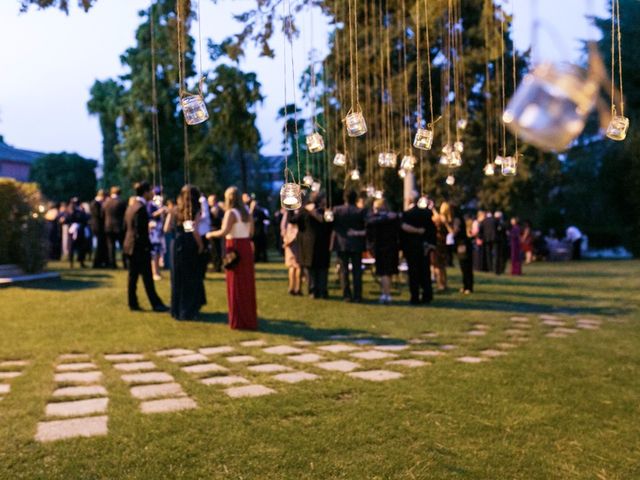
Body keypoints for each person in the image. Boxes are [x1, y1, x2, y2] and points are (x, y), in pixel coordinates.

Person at [206, 186, 257, 330]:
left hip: (234, 246)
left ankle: (238, 320)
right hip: (245, 246)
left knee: (235, 282)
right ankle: (248, 317)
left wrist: (210, 234)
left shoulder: (231, 213)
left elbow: (224, 231)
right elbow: (251, 232)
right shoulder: (247, 212)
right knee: (246, 283)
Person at [123, 181, 168, 312]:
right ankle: (155, 304)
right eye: (150, 191)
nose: (152, 193)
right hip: (139, 248)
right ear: (145, 192)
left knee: (133, 277)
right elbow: (140, 232)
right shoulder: (140, 208)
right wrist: (147, 247)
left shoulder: (132, 206)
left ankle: (133, 303)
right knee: (146, 278)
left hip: (130, 245)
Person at [169, 185, 205, 321]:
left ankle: (176, 309)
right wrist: (200, 245)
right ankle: (188, 310)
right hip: (188, 244)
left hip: (176, 243)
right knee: (190, 277)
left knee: (177, 277)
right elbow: (193, 230)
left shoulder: (175, 209)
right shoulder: (194, 210)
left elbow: (167, 227)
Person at [291, 193, 332, 299]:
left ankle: (313, 290)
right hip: (323, 244)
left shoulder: (304, 212)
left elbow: (293, 220)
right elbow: (330, 225)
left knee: (310, 269)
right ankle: (323, 290)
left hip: (308, 245)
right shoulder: (324, 212)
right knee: (322, 269)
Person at [401, 191, 436, 305]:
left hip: (411, 247)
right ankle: (427, 294)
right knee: (425, 271)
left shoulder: (407, 214)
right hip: (424, 246)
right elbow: (431, 229)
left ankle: (414, 296)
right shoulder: (426, 213)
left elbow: (403, 230)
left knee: (413, 272)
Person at [332, 189, 367, 302]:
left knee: (344, 270)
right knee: (357, 270)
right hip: (356, 243)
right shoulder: (360, 211)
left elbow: (332, 223)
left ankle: (346, 294)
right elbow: (366, 226)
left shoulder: (337, 210)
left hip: (342, 243)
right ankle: (358, 295)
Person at [366, 198, 400, 304]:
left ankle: (386, 294)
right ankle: (386, 292)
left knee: (383, 272)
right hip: (392, 246)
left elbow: (370, 229)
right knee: (388, 272)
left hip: (381, 247)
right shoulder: (394, 217)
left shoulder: (376, 219)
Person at [103, 186, 127, 268]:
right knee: (123, 246)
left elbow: (102, 215)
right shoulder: (121, 202)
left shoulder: (106, 202)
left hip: (108, 227)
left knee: (111, 246)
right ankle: (125, 263)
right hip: (119, 227)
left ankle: (112, 263)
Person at [281, 208, 302, 295]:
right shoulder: (300, 213)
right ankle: (297, 288)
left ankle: (291, 287)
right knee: (298, 266)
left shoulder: (288, 213)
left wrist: (285, 239)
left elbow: (283, 227)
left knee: (292, 266)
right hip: (297, 242)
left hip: (289, 241)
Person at [148, 187, 167, 281]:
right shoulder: (151, 204)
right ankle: (154, 272)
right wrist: (160, 211)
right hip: (154, 231)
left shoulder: (160, 205)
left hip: (160, 230)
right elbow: (150, 215)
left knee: (159, 251)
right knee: (154, 252)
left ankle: (158, 271)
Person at [453, 212, 474, 294]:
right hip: (464, 244)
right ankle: (467, 286)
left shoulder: (457, 220)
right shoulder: (461, 219)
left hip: (462, 244)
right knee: (465, 267)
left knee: (465, 266)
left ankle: (468, 286)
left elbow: (455, 231)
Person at [66, 198, 89, 268]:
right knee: (72, 247)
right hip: (73, 230)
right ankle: (71, 262)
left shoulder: (80, 210)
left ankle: (80, 261)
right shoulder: (72, 210)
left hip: (79, 230)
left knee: (81, 247)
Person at [90, 190, 108, 268]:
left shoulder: (95, 203)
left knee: (100, 245)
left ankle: (100, 261)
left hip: (97, 226)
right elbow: (99, 215)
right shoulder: (95, 203)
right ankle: (96, 262)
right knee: (99, 245)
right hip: (98, 227)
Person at [433, 210, 449, 292]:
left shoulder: (439, 222)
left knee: (437, 266)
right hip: (442, 245)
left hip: (437, 245)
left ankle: (440, 284)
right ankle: (443, 283)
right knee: (441, 266)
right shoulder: (445, 221)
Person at [208, 194, 224, 272]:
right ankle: (215, 264)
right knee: (213, 249)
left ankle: (217, 266)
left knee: (217, 249)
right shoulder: (209, 209)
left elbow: (219, 220)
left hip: (216, 230)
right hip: (211, 231)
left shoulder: (219, 210)